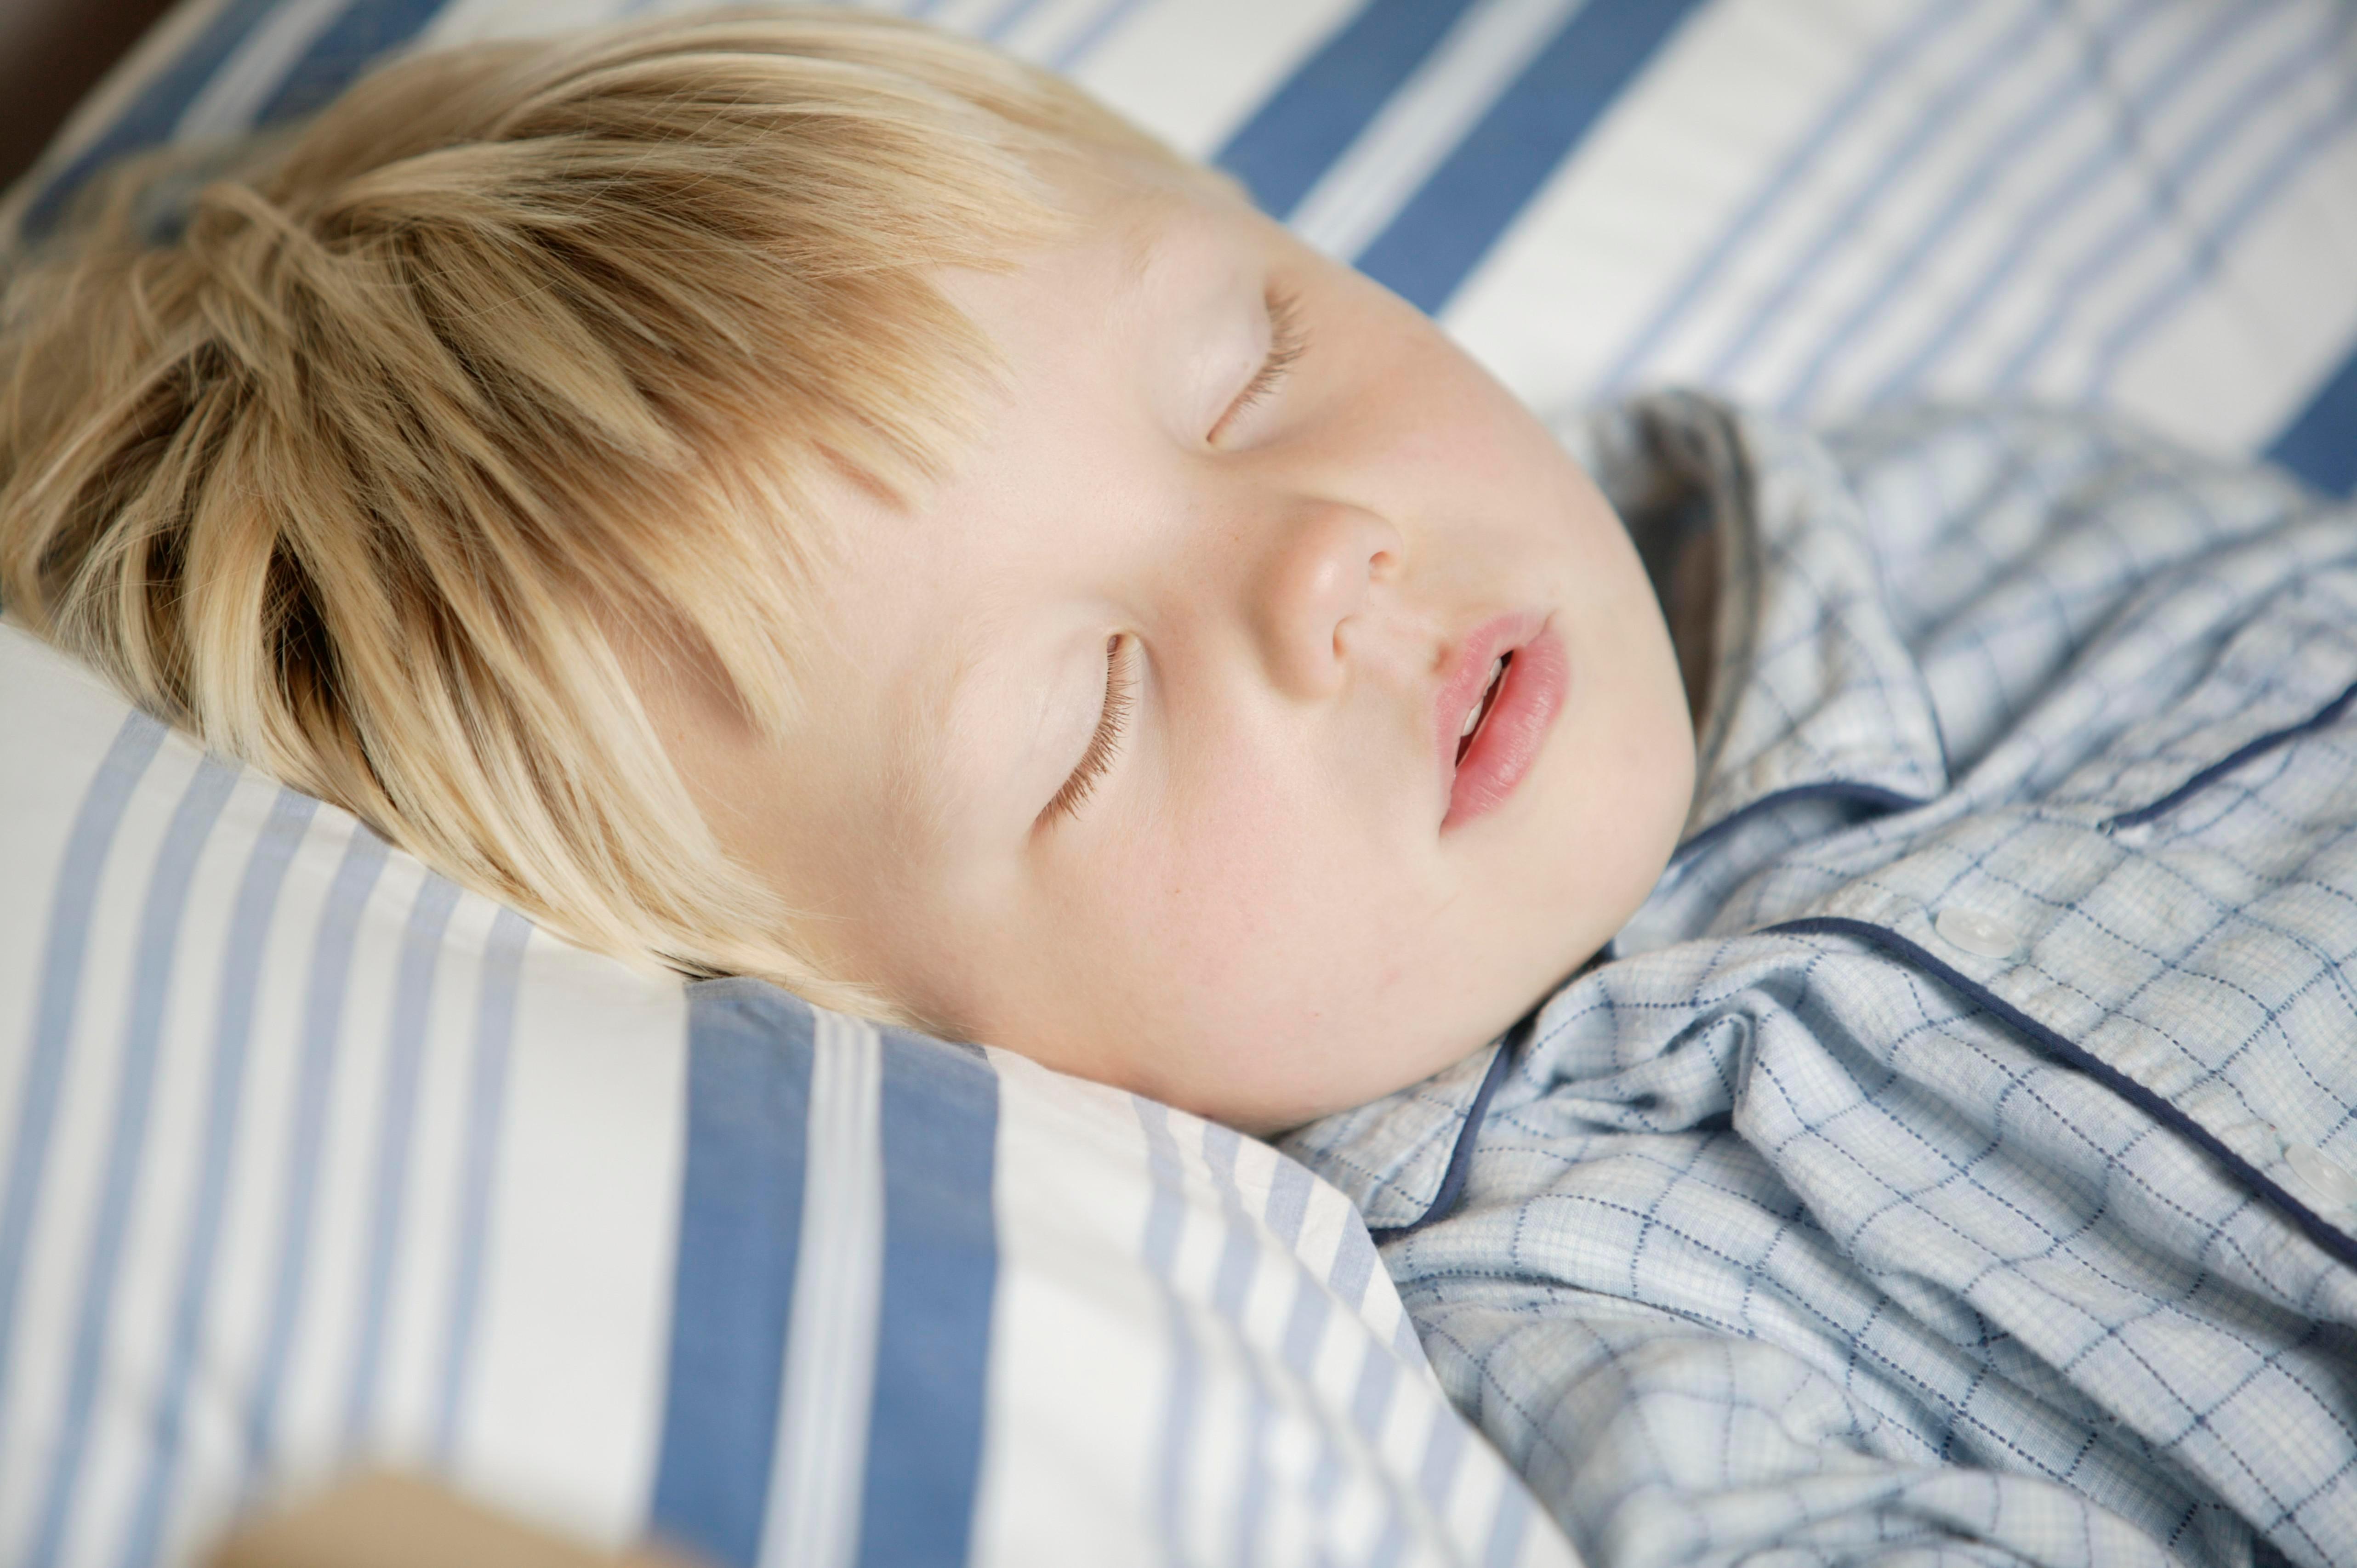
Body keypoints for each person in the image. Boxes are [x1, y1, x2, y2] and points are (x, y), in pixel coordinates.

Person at [4, 10, 2351, 1565]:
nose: (1320, 558)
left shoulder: (1978, 523)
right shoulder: (1559, 1318)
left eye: (1253, 362)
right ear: (929, 1042)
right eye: (1092, 716)